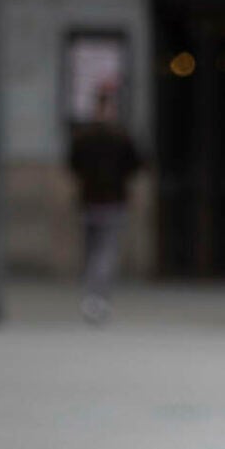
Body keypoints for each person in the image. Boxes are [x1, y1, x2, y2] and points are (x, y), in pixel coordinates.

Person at [67, 84, 145, 324]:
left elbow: (72, 164)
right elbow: (137, 164)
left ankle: (92, 296)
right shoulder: (120, 136)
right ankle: (98, 297)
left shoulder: (84, 136)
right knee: (104, 253)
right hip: (111, 200)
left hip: (91, 200)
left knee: (93, 252)